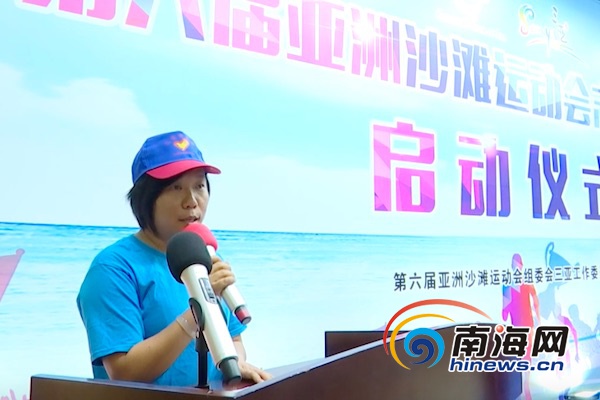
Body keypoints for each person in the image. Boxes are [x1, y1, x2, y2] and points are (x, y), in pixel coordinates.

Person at [76, 131, 272, 387]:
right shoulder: (112, 268)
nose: (191, 201)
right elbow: (124, 372)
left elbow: (233, 338)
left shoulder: (207, 257)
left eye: (199, 186)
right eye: (175, 187)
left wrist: (238, 362)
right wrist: (198, 310)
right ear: (146, 198)